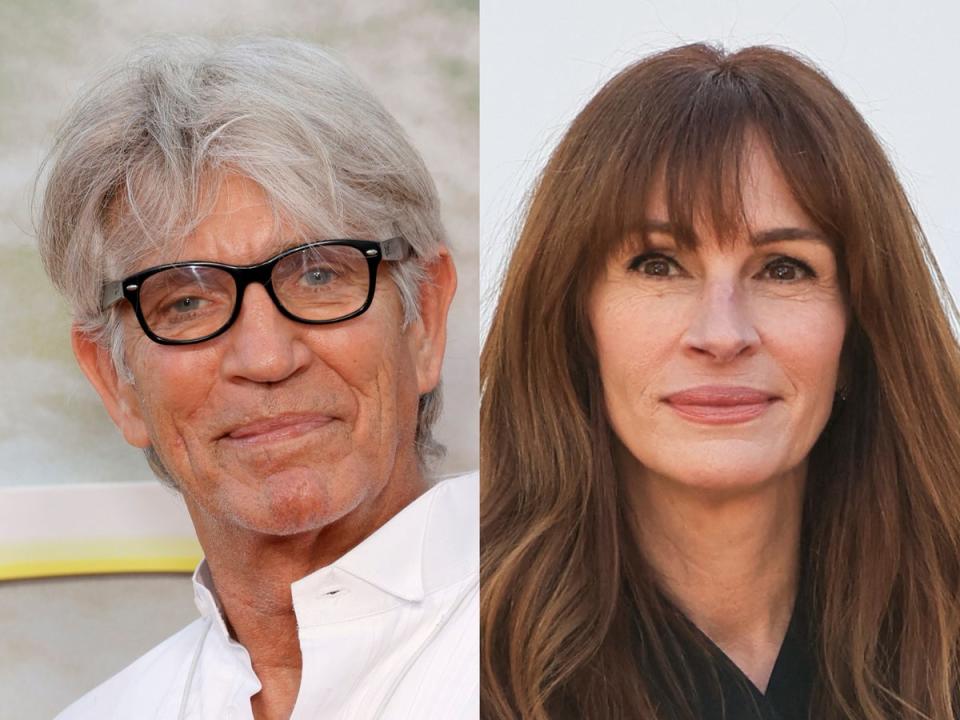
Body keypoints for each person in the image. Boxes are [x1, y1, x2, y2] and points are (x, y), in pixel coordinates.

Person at [480, 43, 960, 720]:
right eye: (658, 265)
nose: (722, 333)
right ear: (576, 321)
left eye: (784, 269)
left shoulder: (941, 644)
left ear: (858, 333)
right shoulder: (457, 660)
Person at [37, 36, 477, 720]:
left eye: (321, 274)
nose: (268, 359)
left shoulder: (600, 643)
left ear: (424, 319)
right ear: (115, 382)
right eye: (185, 301)